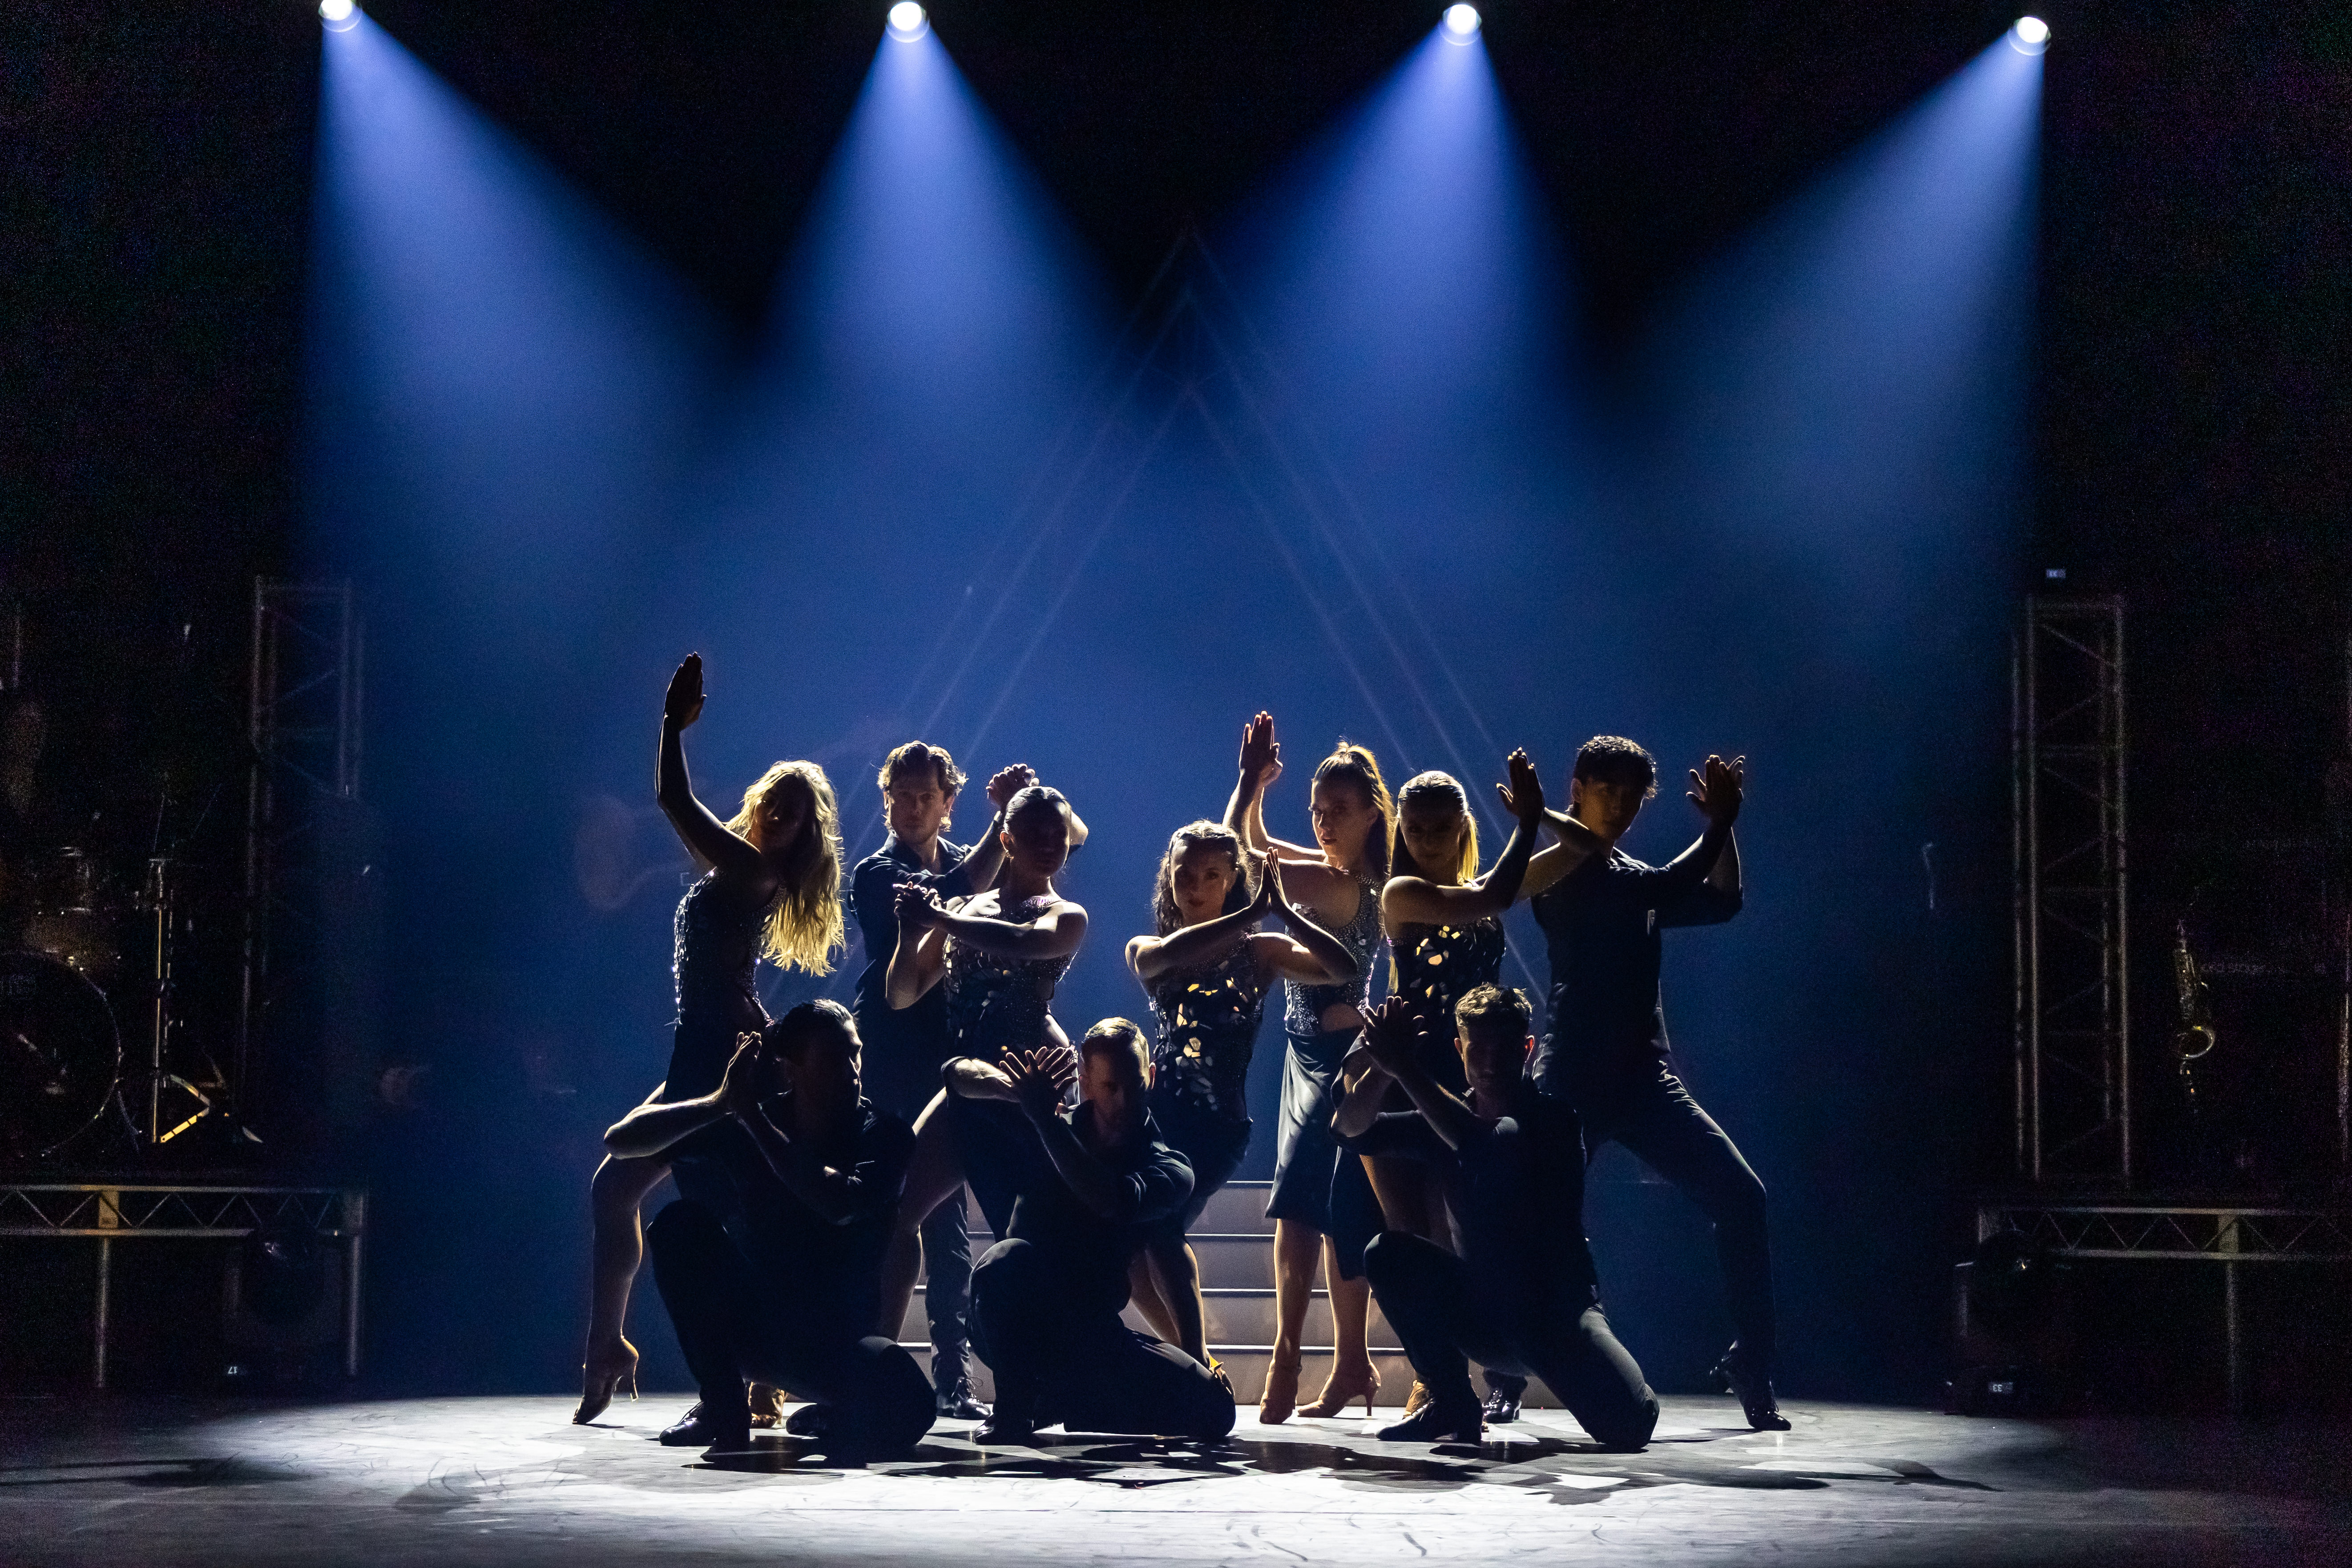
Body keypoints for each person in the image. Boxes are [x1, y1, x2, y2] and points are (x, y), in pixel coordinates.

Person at [576, 653, 846, 1425]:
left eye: (796, 813)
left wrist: (670, 725)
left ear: (801, 837)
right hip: (704, 1054)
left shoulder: (754, 873)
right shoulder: (737, 864)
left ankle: (742, 1380)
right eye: (775, 802)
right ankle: (609, 1347)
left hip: (718, 1061)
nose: (778, 815)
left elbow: (669, 796)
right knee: (616, 1188)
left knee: (714, 1221)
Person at [1515, 738, 1785, 1429]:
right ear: (1577, 789)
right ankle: (1509, 1371)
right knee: (1536, 1220)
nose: (1622, 806)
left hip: (1643, 1079)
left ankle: (1751, 1361)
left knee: (1742, 1197)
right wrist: (1718, 823)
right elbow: (1661, 886)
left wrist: (1724, 830)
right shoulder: (1558, 873)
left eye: (1634, 796)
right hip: (1568, 1078)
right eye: (1609, 791)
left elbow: (1723, 900)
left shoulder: (1636, 874)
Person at [603, 1001, 934, 1457]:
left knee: (912, 1404)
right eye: (834, 1058)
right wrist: (719, 1102)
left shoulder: (886, 1133)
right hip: (757, 1328)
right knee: (680, 1226)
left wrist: (753, 1121)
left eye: (855, 1054)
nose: (852, 1071)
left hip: (837, 1344)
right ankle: (723, 1410)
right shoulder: (752, 1121)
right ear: (792, 1069)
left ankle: (831, 1416)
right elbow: (620, 1141)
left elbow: (838, 1203)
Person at [1336, 989, 1658, 1451]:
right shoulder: (1446, 1117)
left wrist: (1405, 1067)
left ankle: (1617, 1392)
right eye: (1477, 1049)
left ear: (1526, 1050)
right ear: (1458, 1049)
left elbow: (1481, 1146)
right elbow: (1347, 1131)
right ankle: (1450, 1401)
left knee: (1631, 1425)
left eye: (1503, 1049)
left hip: (1556, 1320)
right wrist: (1381, 1068)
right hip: (1484, 1314)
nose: (1489, 1063)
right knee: (1387, 1255)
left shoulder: (1553, 1121)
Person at [1123, 822, 1358, 1385]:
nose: (1196, 887)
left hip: (1217, 1129)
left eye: (1211, 876)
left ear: (1233, 882)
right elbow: (1165, 958)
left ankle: (1197, 1366)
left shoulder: (1260, 953)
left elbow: (1343, 969)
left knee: (1160, 1230)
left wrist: (1284, 914)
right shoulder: (1150, 948)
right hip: (1157, 1123)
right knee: (1130, 1254)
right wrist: (1252, 910)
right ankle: (1196, 1360)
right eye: (1184, 875)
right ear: (1168, 880)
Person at [846, 742, 1032, 1420]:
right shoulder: (876, 872)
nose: (910, 806)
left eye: (924, 795)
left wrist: (1016, 817)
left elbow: (1030, 871)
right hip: (892, 1053)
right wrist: (999, 823)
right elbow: (952, 905)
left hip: (952, 1049)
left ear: (947, 801)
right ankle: (867, 1359)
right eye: (899, 794)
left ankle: (951, 1377)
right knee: (891, 1206)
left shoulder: (963, 858)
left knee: (948, 1221)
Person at [873, 785, 1089, 1350]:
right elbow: (901, 993)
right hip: (966, 1083)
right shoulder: (965, 910)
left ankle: (1049, 1370)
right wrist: (909, 929)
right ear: (1005, 839)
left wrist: (939, 916)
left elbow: (1021, 943)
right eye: (1034, 833)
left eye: (1057, 835)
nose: (1048, 844)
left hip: (1023, 1092)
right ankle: (875, 1357)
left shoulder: (1065, 915)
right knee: (898, 1211)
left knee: (1026, 1239)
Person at [1223, 715, 1392, 1422]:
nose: (1323, 823)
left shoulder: (1347, 888)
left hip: (1336, 1061)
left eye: (1337, 813)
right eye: (1317, 812)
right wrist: (1255, 784)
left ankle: (1289, 1360)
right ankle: (1348, 1363)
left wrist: (1245, 785)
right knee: (1314, 1210)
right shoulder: (1328, 873)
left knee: (1304, 1211)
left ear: (1370, 816)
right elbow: (1250, 845)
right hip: (1302, 1051)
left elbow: (1239, 854)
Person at [968, 1020, 1238, 1445]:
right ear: (1086, 1082)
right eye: (1110, 1086)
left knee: (1213, 1409)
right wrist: (1015, 1090)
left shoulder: (1168, 1167)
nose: (1124, 1099)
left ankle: (1059, 1400)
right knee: (1006, 1260)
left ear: (1150, 1076)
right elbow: (953, 1075)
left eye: (1133, 1083)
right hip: (1017, 1327)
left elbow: (1117, 1204)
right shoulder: (1044, 1126)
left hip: (1093, 1338)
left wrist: (1197, 1355)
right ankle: (1016, 1409)